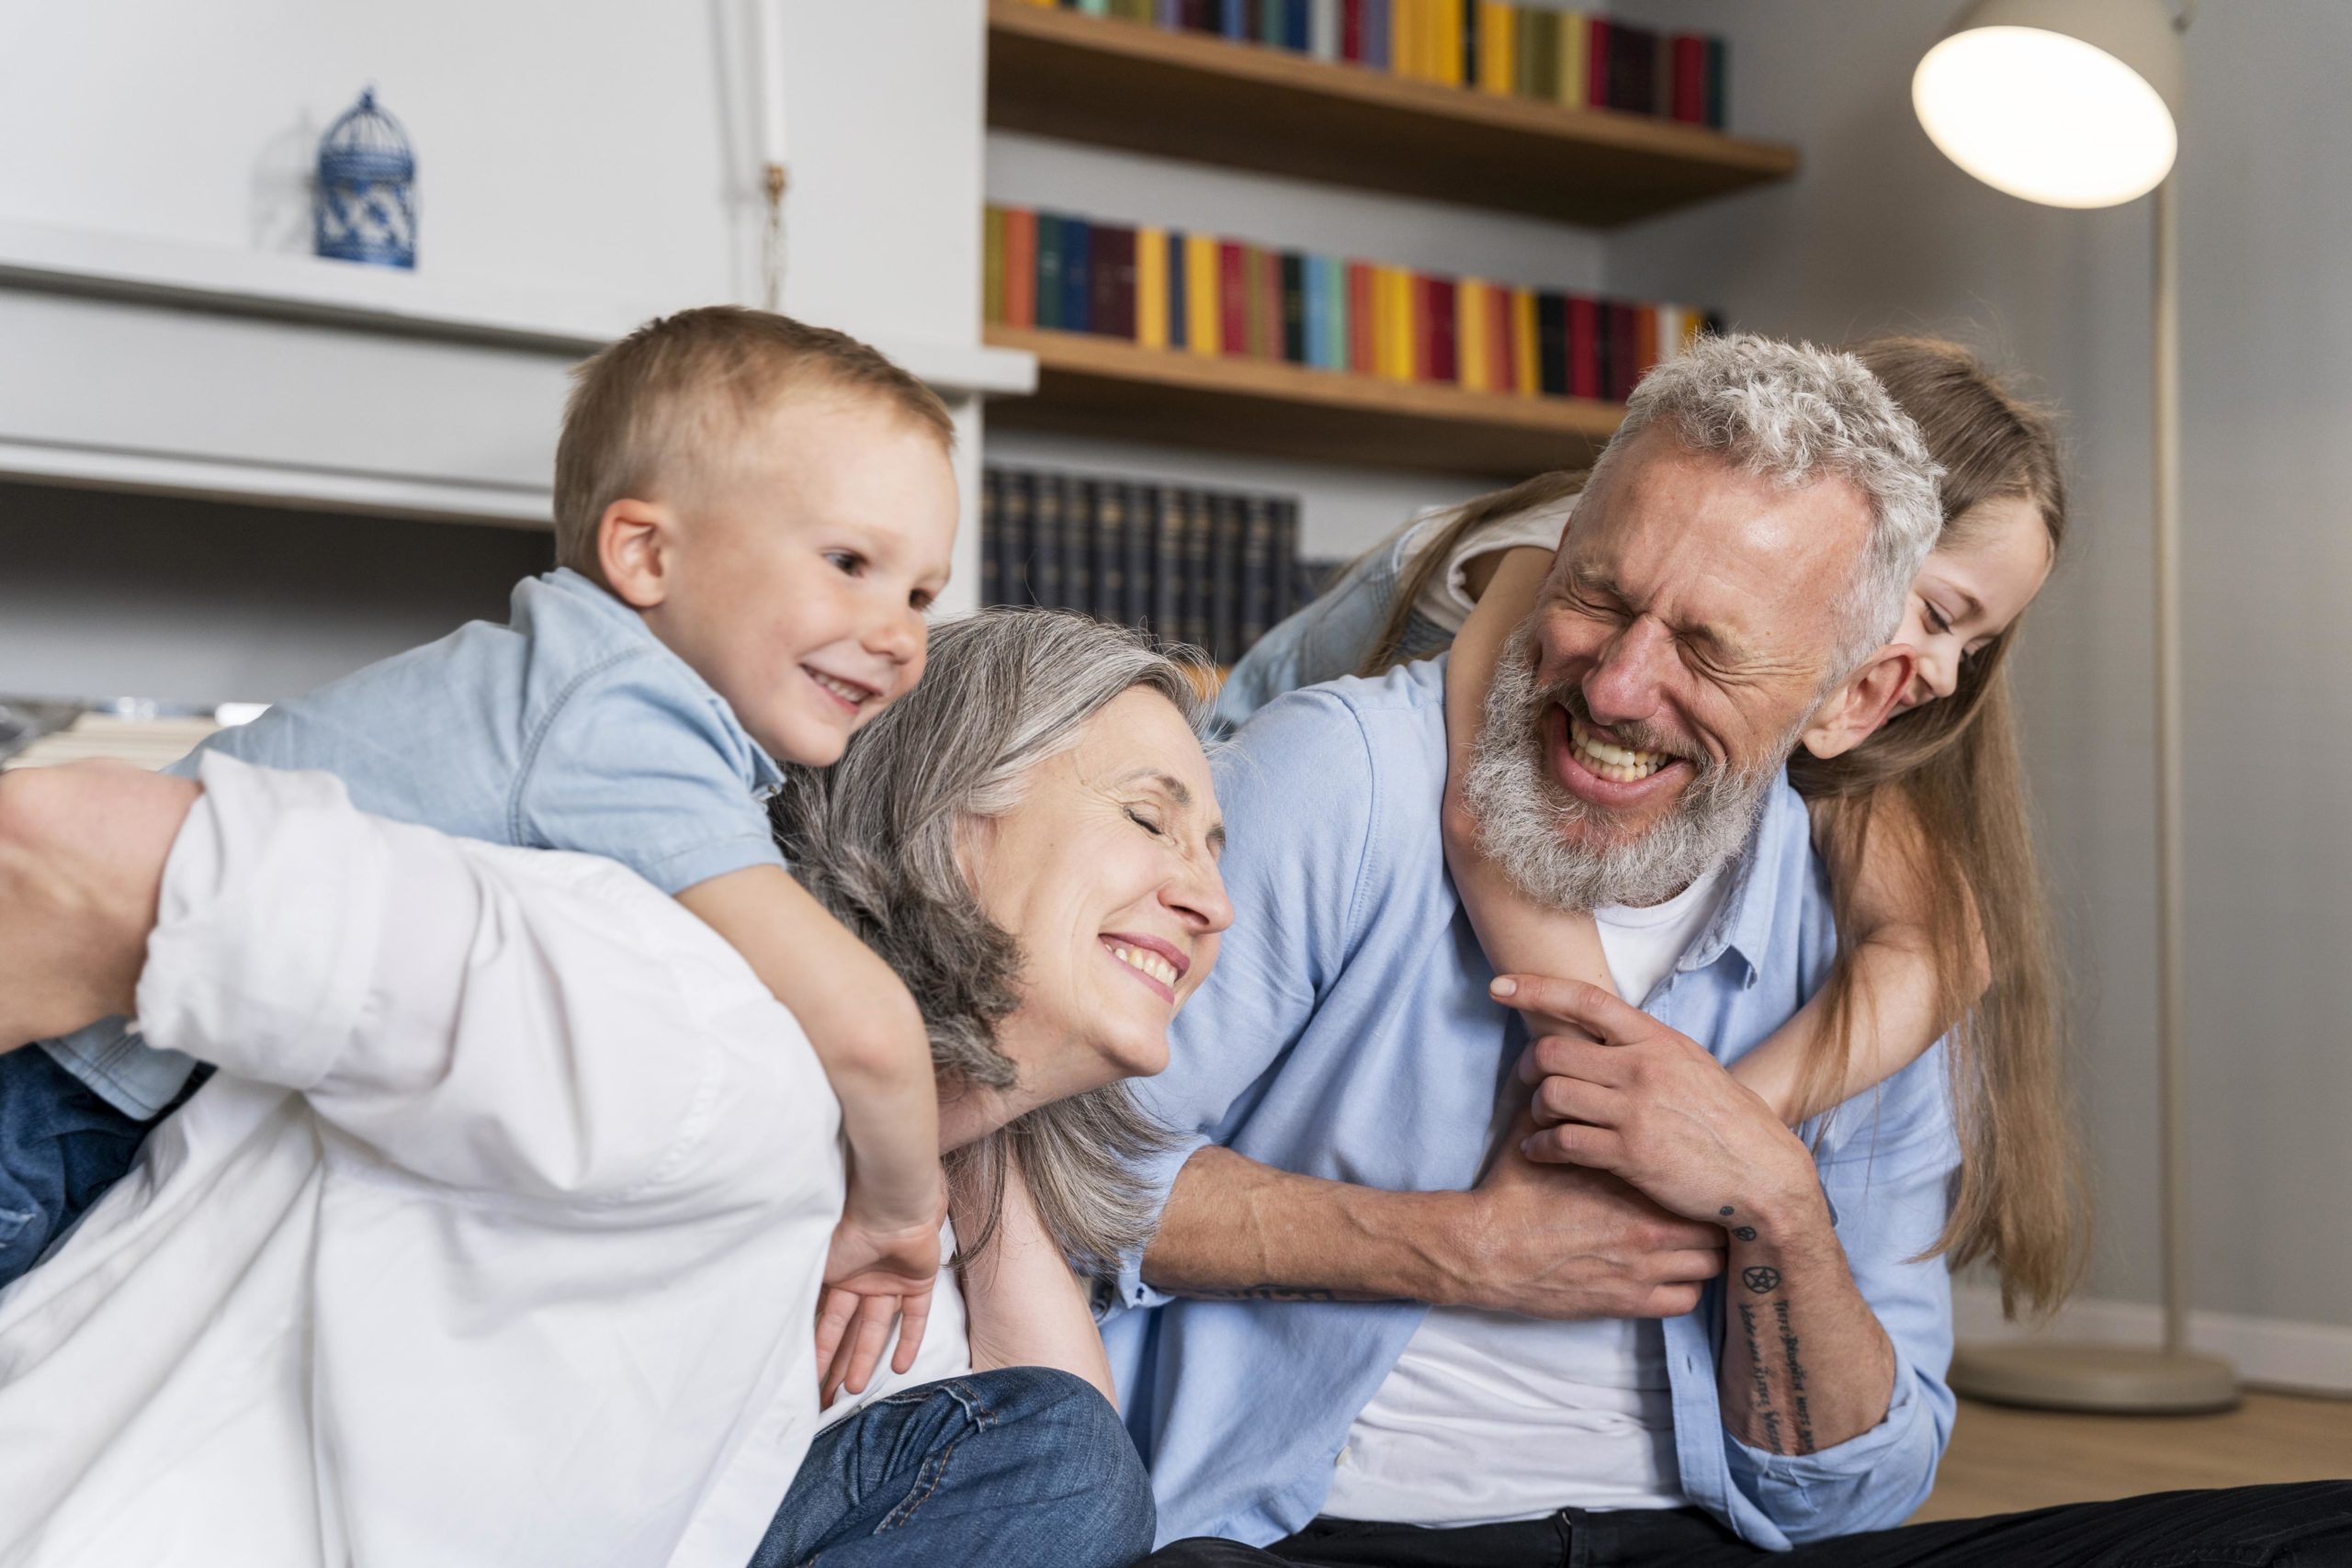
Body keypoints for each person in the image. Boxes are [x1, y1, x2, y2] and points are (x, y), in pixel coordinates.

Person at [1104, 335, 2352, 1565]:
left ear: (1846, 687)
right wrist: (1467, 1238)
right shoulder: (1364, 760)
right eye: (1601, 600)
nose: (1937, 665)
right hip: (1330, 1528)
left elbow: (1856, 1492)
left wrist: (1768, 1184)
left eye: (1966, 636)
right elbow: (1056, 1171)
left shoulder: (1873, 921)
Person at [0, 609, 1230, 1567]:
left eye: (1216, 855)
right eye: (1150, 819)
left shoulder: (892, 1238)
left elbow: (1051, 1472)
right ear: (953, 816)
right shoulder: (654, 997)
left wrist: (970, 1109)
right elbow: (63, 843)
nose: (1208, 897)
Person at [0, 308, 956, 1360]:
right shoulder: (622, 719)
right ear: (643, 554)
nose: (899, 635)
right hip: (58, 1092)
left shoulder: (564, 686)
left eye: (920, 592)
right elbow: (864, 1026)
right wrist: (904, 1220)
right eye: (848, 563)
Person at [1227, 336, 2080, 1317]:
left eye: (1975, 646)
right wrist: (1618, 1121)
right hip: (1216, 791)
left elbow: (1945, 945)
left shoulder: (1818, 714)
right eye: (1935, 613)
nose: (1941, 672)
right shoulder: (1575, 554)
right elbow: (1480, 818)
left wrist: (1722, 1126)